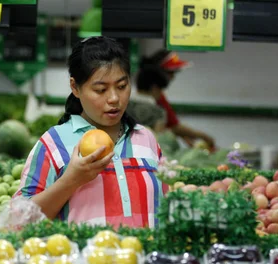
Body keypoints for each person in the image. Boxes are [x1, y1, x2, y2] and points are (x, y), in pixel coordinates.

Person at [15, 37, 166, 229]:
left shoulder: (145, 139)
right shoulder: (53, 144)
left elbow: (166, 207)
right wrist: (70, 181)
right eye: (100, 89)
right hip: (82, 258)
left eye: (121, 87)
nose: (113, 98)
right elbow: (18, 221)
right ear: (75, 88)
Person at [140, 50, 216, 150]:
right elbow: (174, 127)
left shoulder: (159, 97)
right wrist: (202, 136)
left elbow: (171, 123)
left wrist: (186, 136)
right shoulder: (144, 101)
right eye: (171, 73)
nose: (173, 77)